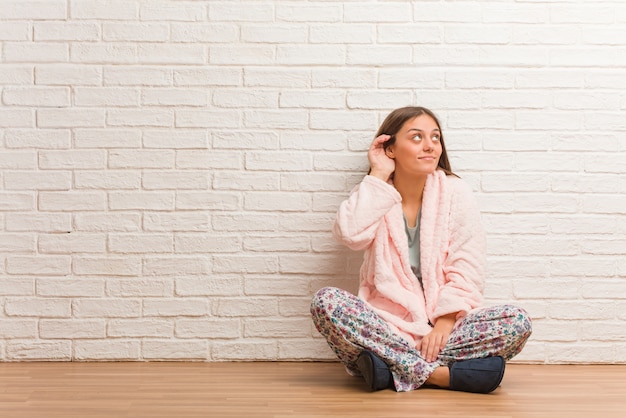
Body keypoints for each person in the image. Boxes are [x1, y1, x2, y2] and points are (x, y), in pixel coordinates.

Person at [310, 106, 532, 393]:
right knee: (326, 302)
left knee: (517, 322)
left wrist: (444, 324)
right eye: (416, 137)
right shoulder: (374, 192)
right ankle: (439, 375)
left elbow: (467, 267)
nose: (430, 146)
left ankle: (387, 368)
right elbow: (350, 235)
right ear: (390, 149)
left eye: (435, 137)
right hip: (389, 325)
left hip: (446, 329)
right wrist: (378, 174)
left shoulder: (455, 192)